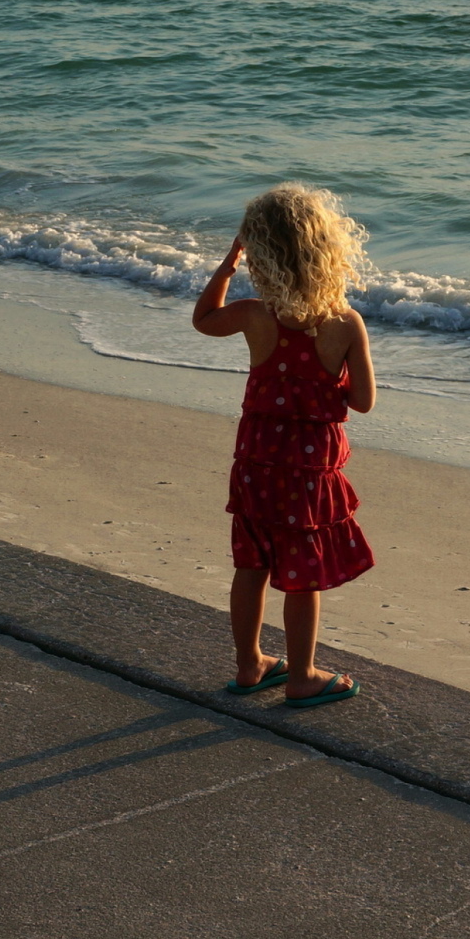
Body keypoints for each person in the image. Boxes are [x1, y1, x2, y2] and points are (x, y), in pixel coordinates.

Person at [192, 183, 376, 708]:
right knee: (301, 575)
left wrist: (227, 266)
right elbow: (362, 401)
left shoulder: (255, 314)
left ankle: (250, 665)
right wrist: (325, 388)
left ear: (260, 254)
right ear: (327, 250)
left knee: (251, 564)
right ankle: (302, 675)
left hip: (255, 463)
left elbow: (204, 321)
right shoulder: (344, 323)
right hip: (308, 471)